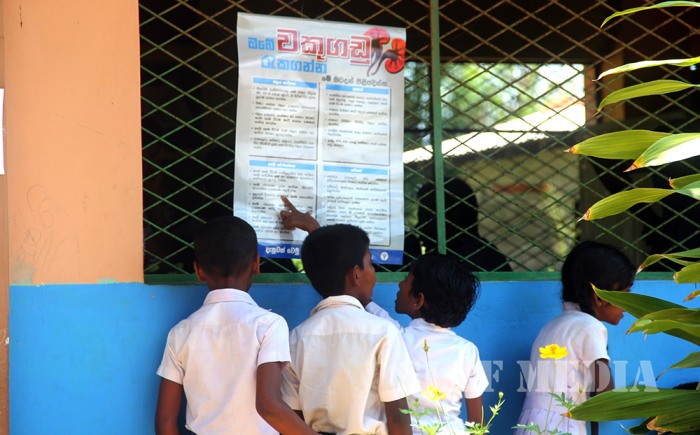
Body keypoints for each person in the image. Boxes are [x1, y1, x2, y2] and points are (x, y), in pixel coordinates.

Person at [154, 216, 316, 435]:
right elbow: (269, 406)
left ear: (198, 271)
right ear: (256, 264)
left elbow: (165, 422)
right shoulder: (268, 325)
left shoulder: (180, 333)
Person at [281, 223, 422, 435]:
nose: (373, 272)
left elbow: (294, 417)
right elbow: (398, 416)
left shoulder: (295, 338)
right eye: (370, 264)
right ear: (356, 275)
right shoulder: (384, 332)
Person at [514, 240, 636, 435]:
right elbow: (606, 398)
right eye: (626, 294)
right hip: (562, 427)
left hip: (530, 425)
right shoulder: (590, 327)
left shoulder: (551, 327)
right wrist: (644, 402)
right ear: (599, 297)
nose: (629, 305)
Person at [365, 253, 489, 435]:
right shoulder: (467, 351)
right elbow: (478, 424)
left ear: (418, 300)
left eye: (406, 279)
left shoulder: (397, 338)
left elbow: (366, 303)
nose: (400, 284)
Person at [417, 179, 512, 272]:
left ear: (452, 218)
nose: (418, 228)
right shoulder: (486, 254)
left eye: (424, 219)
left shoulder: (459, 265)